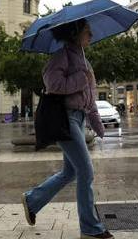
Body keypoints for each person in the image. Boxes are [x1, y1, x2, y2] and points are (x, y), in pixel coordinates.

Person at [21, 19, 113, 239]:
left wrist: (96, 122)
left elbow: (89, 99)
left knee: (70, 172)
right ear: (75, 33)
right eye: (87, 31)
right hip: (66, 119)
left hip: (79, 119)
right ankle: (90, 229)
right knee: (86, 171)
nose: (91, 34)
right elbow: (52, 84)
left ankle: (32, 200)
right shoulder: (62, 56)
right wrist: (80, 78)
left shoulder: (85, 61)